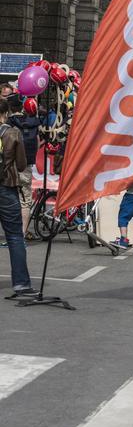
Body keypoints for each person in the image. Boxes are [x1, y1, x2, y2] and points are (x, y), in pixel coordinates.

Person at [0, 99, 36, 298]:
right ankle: (21, 284)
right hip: (6, 187)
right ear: (5, 114)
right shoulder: (13, 133)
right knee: (14, 236)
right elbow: (22, 165)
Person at [7, 93, 40, 237]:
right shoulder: (33, 122)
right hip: (26, 164)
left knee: (7, 198)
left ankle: (10, 232)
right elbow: (38, 142)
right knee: (25, 200)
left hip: (9, 165)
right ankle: (22, 233)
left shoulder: (8, 122)